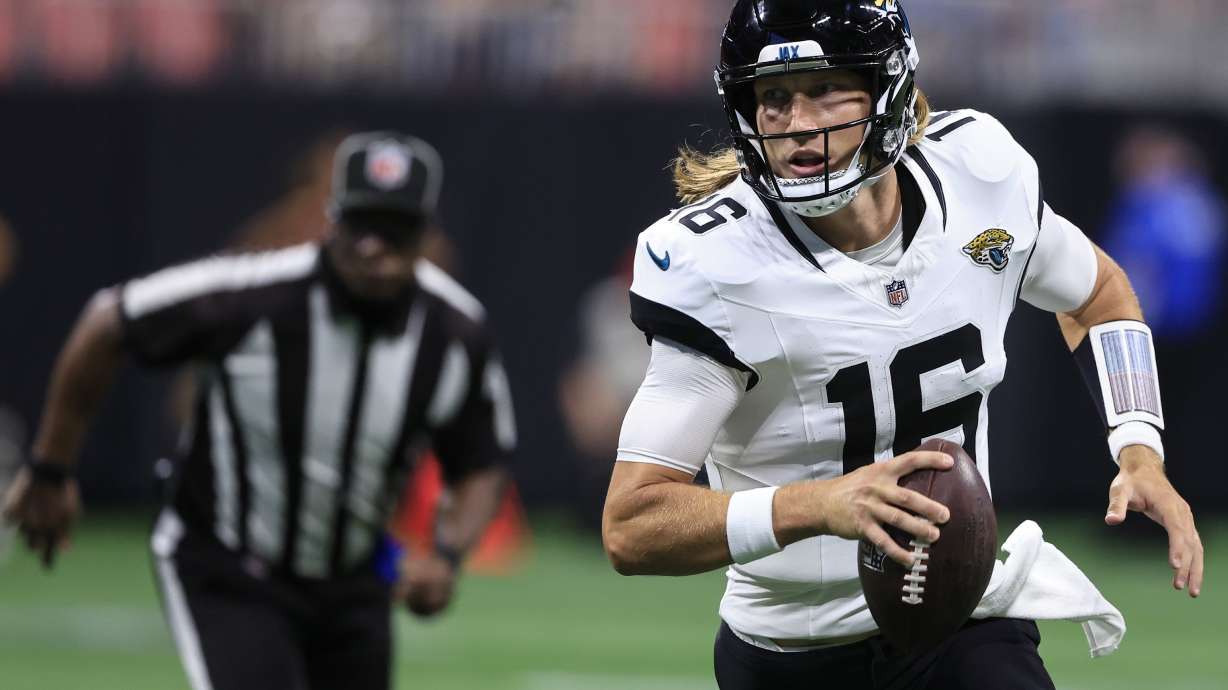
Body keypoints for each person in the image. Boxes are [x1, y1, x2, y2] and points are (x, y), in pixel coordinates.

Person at [601, 2, 1203, 689]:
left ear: (888, 90)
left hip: (962, 622)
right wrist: (819, 504)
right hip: (793, 652)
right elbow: (632, 524)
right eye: (773, 98)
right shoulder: (716, 264)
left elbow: (1099, 298)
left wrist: (1138, 447)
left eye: (826, 89)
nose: (797, 124)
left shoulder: (978, 176)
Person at [2, 131, 516, 690]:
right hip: (229, 565)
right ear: (332, 220)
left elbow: (481, 461)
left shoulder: (455, 332)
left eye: (394, 230)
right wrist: (50, 469)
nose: (373, 247)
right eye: (361, 224)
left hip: (354, 583)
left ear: (426, 236)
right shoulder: (254, 295)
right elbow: (108, 322)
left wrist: (446, 555)